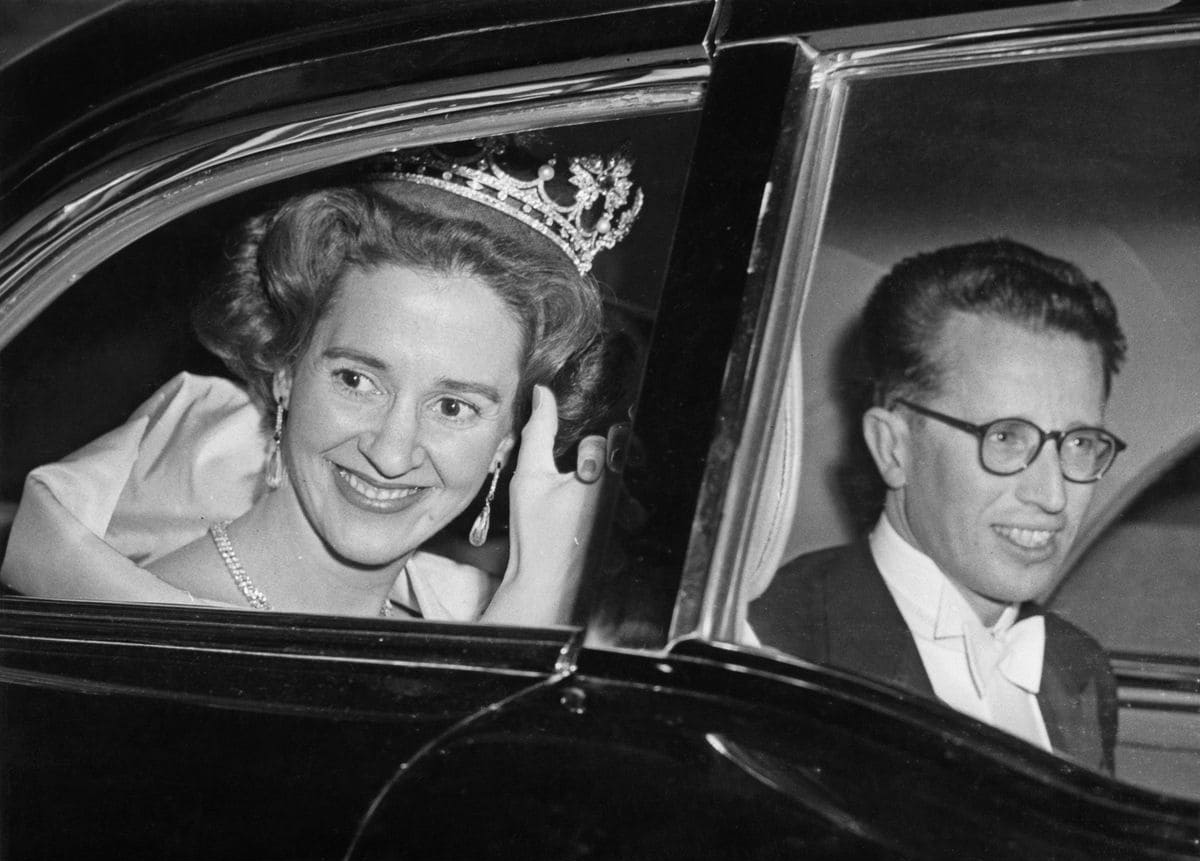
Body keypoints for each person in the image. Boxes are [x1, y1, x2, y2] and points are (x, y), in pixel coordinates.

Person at [0, 137, 643, 626]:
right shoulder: (155, 640)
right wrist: (529, 606)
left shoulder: (440, 619)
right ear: (284, 371)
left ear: (510, 442)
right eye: (357, 380)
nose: (391, 453)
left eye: (453, 406)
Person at [751, 239, 1125, 772]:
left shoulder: (1077, 666)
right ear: (893, 448)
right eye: (1005, 438)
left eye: (1081, 443)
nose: (1053, 496)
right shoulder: (774, 645)